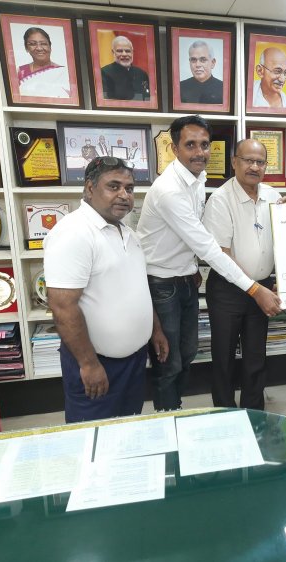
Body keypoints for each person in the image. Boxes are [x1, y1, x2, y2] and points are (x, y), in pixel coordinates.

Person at [137, 115, 282, 411]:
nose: (199, 151)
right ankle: (176, 418)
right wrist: (256, 290)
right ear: (174, 148)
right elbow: (211, 249)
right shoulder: (171, 190)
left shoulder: (197, 179)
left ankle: (251, 414)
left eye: (204, 144)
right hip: (164, 285)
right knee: (170, 360)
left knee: (188, 354)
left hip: (187, 279)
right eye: (190, 145)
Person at [44, 156, 168, 423]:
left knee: (127, 431)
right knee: (94, 438)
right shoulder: (74, 233)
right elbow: (62, 307)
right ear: (90, 188)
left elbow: (137, 287)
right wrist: (88, 364)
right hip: (96, 362)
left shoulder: (127, 233)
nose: (124, 195)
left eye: (130, 188)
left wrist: (154, 330)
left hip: (133, 361)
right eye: (114, 186)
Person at [202, 139, 286, 409]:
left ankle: (254, 412)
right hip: (228, 291)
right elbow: (221, 255)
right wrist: (254, 289)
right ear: (234, 162)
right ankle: (225, 413)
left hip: (263, 287)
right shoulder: (219, 200)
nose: (254, 166)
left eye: (260, 162)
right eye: (247, 160)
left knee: (255, 357)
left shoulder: (273, 197)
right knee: (224, 358)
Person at [17, 27, 70, 98]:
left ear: (50, 47)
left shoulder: (63, 73)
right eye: (32, 44)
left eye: (43, 44)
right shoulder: (20, 72)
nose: (39, 48)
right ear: (26, 48)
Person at [101, 36, 150, 101]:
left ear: (132, 52)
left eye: (127, 51)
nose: (124, 54)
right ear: (113, 52)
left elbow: (147, 98)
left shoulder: (142, 74)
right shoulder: (104, 73)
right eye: (120, 51)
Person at [180, 40, 223, 104]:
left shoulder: (223, 88)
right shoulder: (179, 87)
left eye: (203, 60)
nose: (198, 65)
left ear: (213, 63)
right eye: (193, 60)